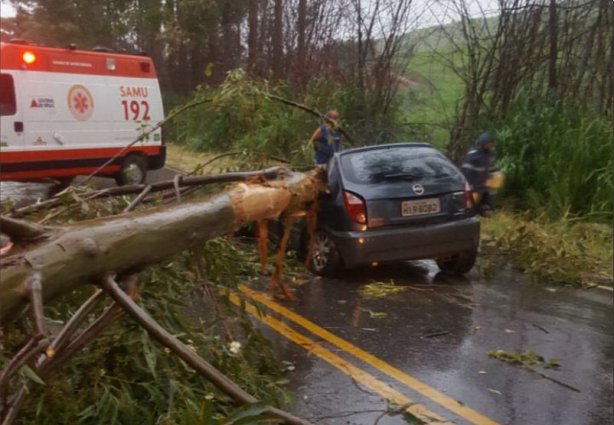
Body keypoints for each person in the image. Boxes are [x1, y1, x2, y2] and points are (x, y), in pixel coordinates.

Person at [461, 132, 496, 216]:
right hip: (474, 187)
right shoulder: (473, 154)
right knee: (472, 210)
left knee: (488, 209)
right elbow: (466, 172)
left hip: (484, 187)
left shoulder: (490, 154)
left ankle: (486, 216)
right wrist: (469, 186)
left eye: (491, 143)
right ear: (484, 143)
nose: (491, 145)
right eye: (489, 143)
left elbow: (490, 169)